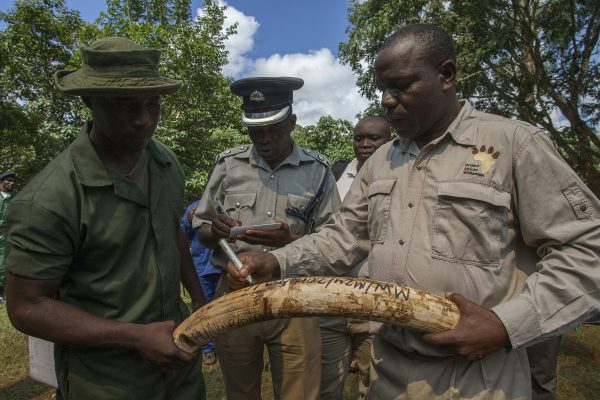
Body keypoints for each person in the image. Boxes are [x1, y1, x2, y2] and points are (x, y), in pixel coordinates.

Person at [227, 24, 600, 399]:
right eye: (383, 90)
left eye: (401, 86)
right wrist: (277, 262)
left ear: (446, 75)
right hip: (387, 373)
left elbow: (588, 252)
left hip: (479, 380)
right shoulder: (381, 163)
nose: (387, 100)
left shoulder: (514, 144)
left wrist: (505, 325)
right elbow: (342, 238)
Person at [5, 37, 206, 399]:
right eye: (125, 106)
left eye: (152, 104)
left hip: (179, 369)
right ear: (89, 101)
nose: (143, 120)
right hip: (106, 381)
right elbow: (26, 307)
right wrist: (133, 336)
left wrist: (198, 299)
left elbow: (173, 231)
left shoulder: (165, 162)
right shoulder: (50, 198)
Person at [192, 76, 341, 400]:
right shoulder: (228, 165)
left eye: (274, 129)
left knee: (300, 393)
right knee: (240, 391)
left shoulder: (318, 171)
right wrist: (214, 232)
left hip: (295, 297)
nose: (265, 139)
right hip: (235, 293)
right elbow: (201, 230)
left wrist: (290, 240)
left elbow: (335, 239)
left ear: (292, 122)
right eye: (256, 131)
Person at [319, 116, 391, 400]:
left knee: (374, 383)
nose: (365, 144)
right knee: (326, 382)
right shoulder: (334, 177)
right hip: (331, 298)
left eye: (374, 138)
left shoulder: (403, 176)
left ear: (390, 141)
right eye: (359, 138)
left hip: (373, 299)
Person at [180, 199, 221, 365]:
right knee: (202, 310)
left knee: (224, 309)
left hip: (224, 268)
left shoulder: (230, 205)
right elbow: (181, 234)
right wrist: (190, 222)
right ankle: (207, 349)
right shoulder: (194, 208)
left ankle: (226, 344)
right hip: (202, 268)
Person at [0, 171, 16, 304]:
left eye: (13, 181)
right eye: (8, 180)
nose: (11, 183)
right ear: (1, 182)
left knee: (3, 263)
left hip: (7, 234)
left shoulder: (15, 197)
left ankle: (3, 293)